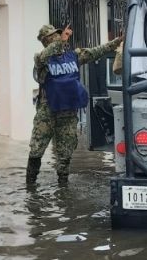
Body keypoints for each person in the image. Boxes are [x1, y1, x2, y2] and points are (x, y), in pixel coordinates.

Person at [27, 24, 121, 186]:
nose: (56, 37)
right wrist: (61, 41)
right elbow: (43, 57)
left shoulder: (73, 56)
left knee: (66, 151)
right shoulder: (41, 58)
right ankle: (30, 186)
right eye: (52, 36)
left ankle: (63, 186)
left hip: (68, 112)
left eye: (57, 34)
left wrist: (118, 41)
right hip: (46, 112)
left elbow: (98, 50)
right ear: (45, 41)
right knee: (36, 149)